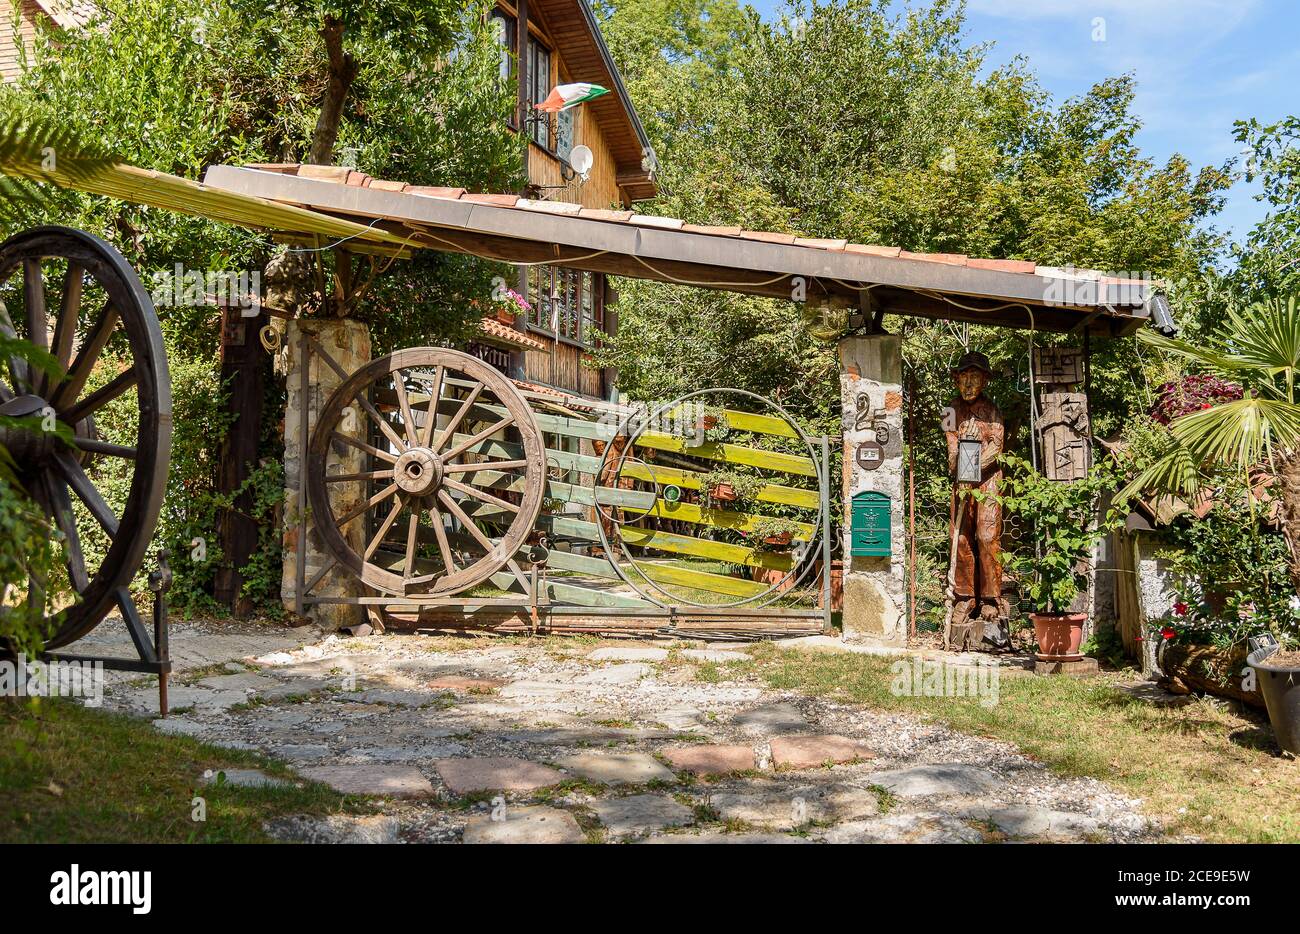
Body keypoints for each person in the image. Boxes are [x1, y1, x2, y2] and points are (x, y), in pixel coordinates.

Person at [944, 351, 1008, 649]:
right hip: (962, 480)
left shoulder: (993, 411)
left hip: (988, 479)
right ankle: (965, 595)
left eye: (975, 378)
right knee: (960, 538)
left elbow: (997, 448)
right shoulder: (949, 411)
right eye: (964, 377)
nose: (969, 384)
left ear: (984, 380)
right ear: (957, 379)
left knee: (986, 533)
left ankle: (991, 598)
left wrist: (975, 463)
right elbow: (951, 451)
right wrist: (961, 462)